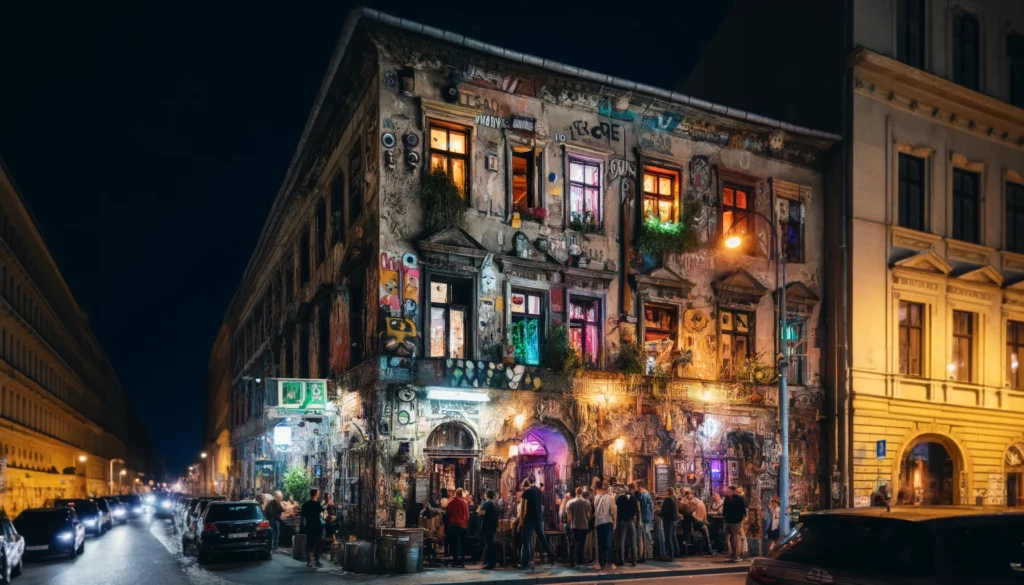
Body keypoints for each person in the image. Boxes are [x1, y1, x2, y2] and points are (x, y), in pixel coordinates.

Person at [518, 478, 555, 570]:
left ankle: (525, 564)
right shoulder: (539, 491)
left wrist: (521, 521)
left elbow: (523, 508)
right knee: (543, 539)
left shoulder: (526, 492)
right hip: (539, 519)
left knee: (526, 541)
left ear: (528, 482)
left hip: (529, 519)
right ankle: (552, 557)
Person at [565, 487, 591, 568]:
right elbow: (588, 516)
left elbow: (568, 516)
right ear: (582, 493)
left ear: (576, 493)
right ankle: (580, 560)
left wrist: (569, 523)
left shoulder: (570, 502)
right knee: (582, 544)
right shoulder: (586, 502)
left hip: (574, 525)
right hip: (584, 526)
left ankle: (573, 560)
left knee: (574, 543)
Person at [614, 483, 639, 567]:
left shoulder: (620, 498)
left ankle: (621, 560)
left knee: (621, 542)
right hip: (631, 521)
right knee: (633, 542)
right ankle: (634, 560)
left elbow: (616, 507)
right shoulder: (633, 498)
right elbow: (636, 511)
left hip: (622, 522)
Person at [682, 489, 713, 554]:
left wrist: (704, 519)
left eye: (688, 494)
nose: (687, 496)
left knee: (705, 528)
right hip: (689, 521)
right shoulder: (685, 501)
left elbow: (700, 513)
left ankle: (708, 547)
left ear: (692, 494)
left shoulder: (697, 502)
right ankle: (708, 547)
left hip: (694, 521)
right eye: (686, 494)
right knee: (705, 528)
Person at [593, 481, 616, 569]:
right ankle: (609, 562)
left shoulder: (596, 498)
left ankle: (601, 563)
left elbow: (595, 509)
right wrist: (614, 519)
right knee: (608, 543)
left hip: (598, 522)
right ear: (606, 489)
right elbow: (611, 511)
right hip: (607, 521)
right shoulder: (610, 498)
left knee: (600, 543)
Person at [301, 488, 326, 568]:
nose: (319, 494)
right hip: (317, 526)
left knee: (309, 544)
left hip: (309, 526)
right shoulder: (317, 504)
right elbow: (322, 510)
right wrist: (326, 503)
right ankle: (317, 561)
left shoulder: (305, 504)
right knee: (318, 544)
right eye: (318, 493)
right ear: (315, 494)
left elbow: (303, 515)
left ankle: (309, 562)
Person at [722, 486, 747, 563]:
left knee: (736, 537)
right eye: (727, 492)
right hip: (728, 520)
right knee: (730, 537)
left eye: (729, 492)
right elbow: (725, 508)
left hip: (736, 521)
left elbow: (743, 510)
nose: (727, 493)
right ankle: (733, 554)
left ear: (733, 492)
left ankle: (737, 555)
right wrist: (725, 516)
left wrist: (739, 519)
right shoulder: (726, 499)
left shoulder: (739, 499)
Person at [447, 488, 470, 568]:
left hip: (453, 525)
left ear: (455, 494)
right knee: (462, 544)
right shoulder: (464, 503)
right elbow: (467, 516)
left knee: (454, 544)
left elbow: (447, 512)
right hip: (462, 525)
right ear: (461, 494)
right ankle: (462, 561)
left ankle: (455, 561)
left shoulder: (450, 502)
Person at [478, 490, 499, 570]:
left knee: (489, 545)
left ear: (487, 495)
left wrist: (479, 511)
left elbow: (481, 512)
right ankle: (491, 562)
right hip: (493, 526)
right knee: (491, 544)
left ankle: (491, 563)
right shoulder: (496, 503)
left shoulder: (487, 502)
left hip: (487, 526)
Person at [659, 488, 680, 560]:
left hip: (668, 522)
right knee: (674, 538)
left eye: (665, 491)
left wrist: (658, 513)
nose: (664, 493)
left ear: (668, 492)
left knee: (668, 538)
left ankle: (670, 555)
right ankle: (676, 553)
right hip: (674, 521)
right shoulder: (674, 499)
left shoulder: (667, 500)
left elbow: (664, 512)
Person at [636, 481, 654, 562]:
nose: (637, 488)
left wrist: (640, 519)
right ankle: (649, 553)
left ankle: (646, 554)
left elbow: (641, 509)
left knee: (645, 536)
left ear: (640, 486)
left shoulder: (643, 495)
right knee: (647, 535)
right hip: (648, 517)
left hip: (644, 518)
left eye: (637, 486)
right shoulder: (648, 494)